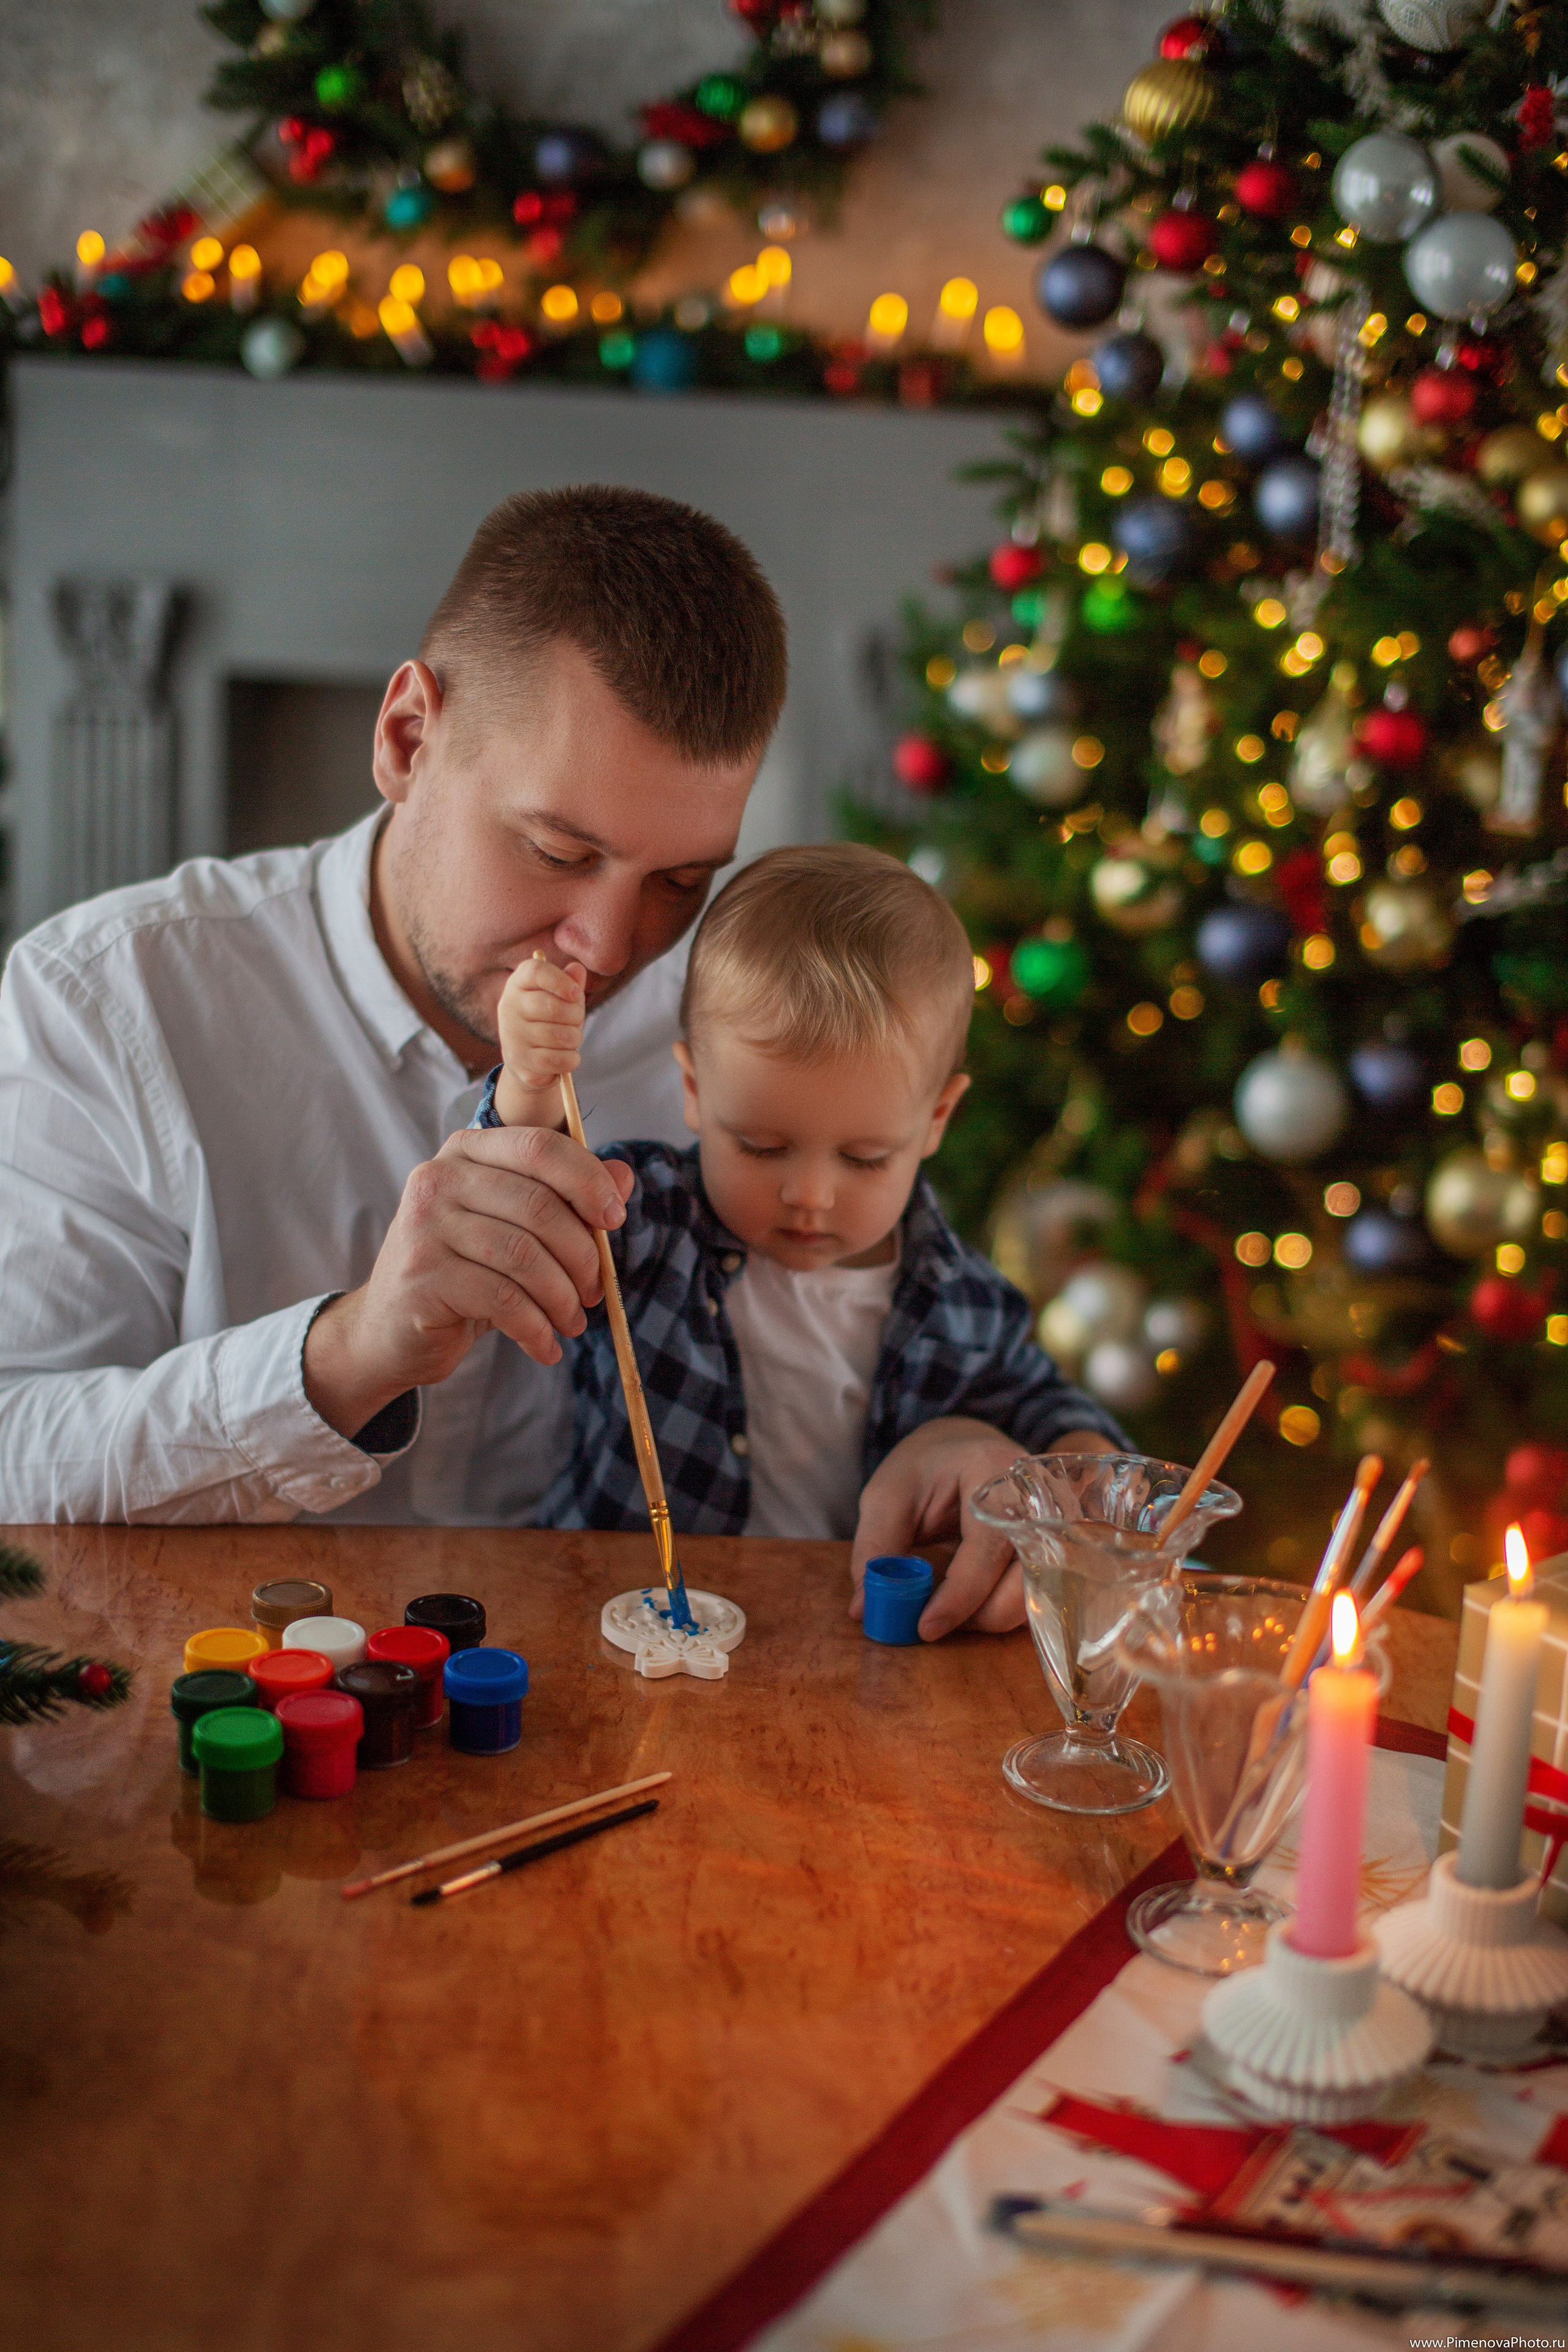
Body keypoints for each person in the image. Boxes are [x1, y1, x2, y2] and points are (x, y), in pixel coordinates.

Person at [478, 844, 1123, 1635]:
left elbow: (1050, 1412)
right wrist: (531, 1084)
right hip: (618, 1619)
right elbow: (524, 1198)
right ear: (693, 1089)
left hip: (843, 1635)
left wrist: (1084, 1474)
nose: (810, 1195)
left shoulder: (961, 1299)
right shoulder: (643, 1222)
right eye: (760, 1144)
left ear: (937, 1121)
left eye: (863, 1158)